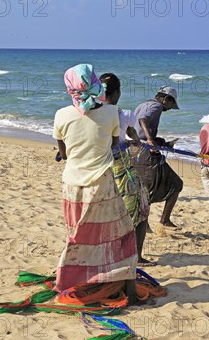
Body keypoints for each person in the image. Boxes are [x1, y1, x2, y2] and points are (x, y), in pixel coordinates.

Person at [53, 64, 137, 304]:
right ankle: (129, 292)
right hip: (101, 184)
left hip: (72, 185)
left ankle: (76, 278)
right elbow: (112, 144)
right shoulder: (111, 112)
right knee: (121, 235)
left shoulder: (61, 115)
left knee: (78, 235)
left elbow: (65, 152)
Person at [100, 73, 152, 266]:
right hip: (121, 169)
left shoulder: (91, 114)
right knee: (140, 208)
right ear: (118, 92)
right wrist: (137, 140)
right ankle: (136, 255)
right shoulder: (125, 115)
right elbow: (134, 141)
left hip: (98, 166)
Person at [130, 86, 183, 228]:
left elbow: (136, 128)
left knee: (145, 187)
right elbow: (142, 120)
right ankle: (162, 220)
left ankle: (142, 222)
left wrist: (161, 141)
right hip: (145, 151)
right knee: (176, 184)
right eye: (171, 104)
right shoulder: (157, 106)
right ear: (166, 99)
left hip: (134, 150)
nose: (170, 108)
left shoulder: (143, 104)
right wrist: (150, 140)